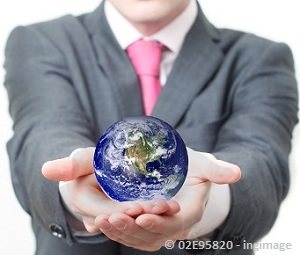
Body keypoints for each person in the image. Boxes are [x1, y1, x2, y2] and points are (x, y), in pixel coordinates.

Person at [3, 0, 298, 254]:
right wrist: (74, 186)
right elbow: (44, 132)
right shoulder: (42, 41)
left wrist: (206, 200)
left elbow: (262, 161)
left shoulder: (259, 58)